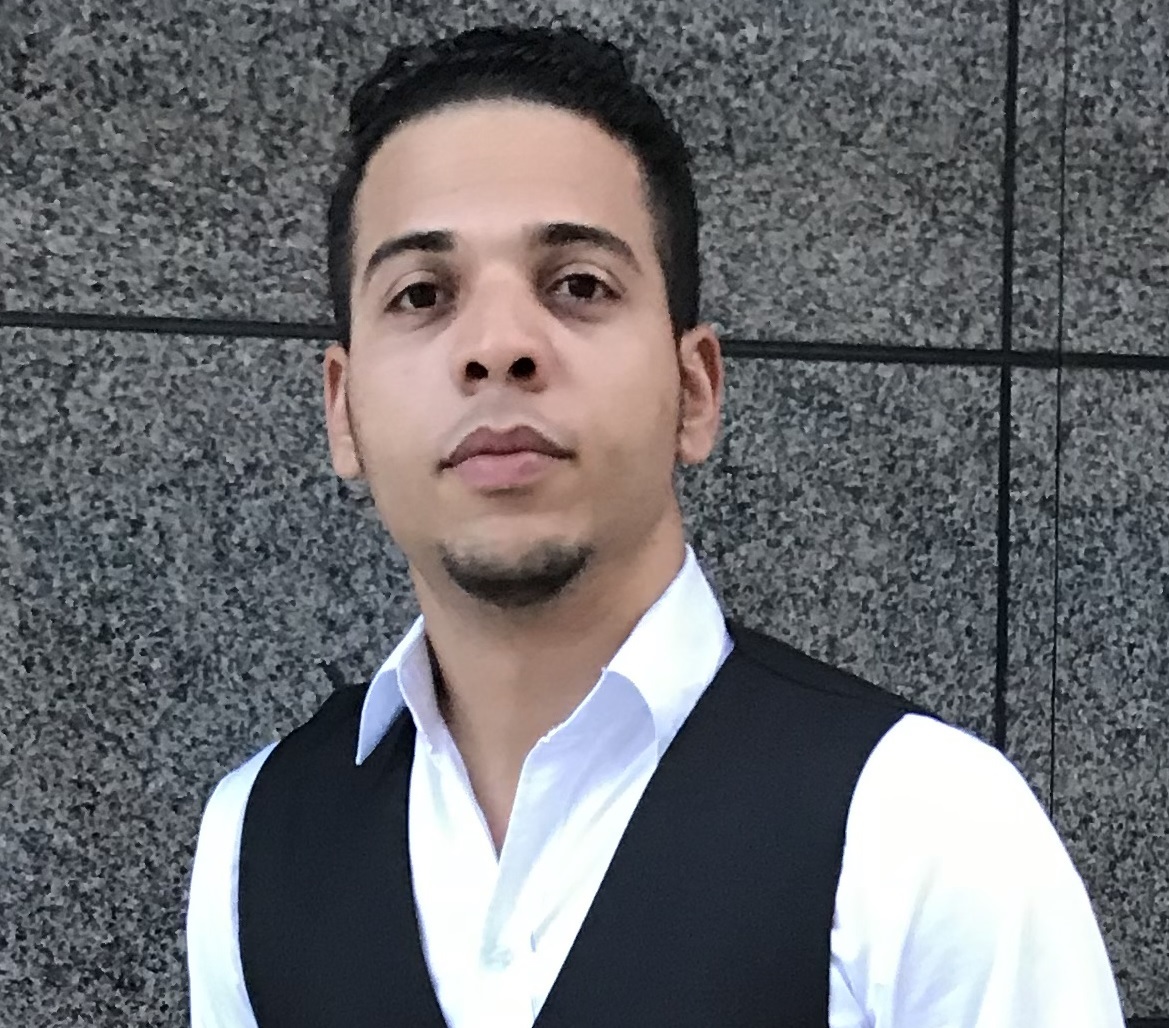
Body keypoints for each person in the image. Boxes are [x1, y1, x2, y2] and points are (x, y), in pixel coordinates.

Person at [187, 24, 1125, 1027]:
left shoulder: (926, 829)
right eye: (421, 294)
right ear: (342, 410)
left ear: (694, 390)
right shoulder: (255, 836)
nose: (497, 346)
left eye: (577, 285)